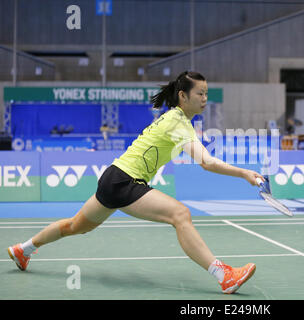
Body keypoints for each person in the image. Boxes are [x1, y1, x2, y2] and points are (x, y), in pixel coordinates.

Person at [7, 71, 263, 294]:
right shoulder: (178, 122)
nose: (205, 98)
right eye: (200, 94)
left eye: (207, 93)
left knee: (75, 226)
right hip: (125, 180)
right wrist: (244, 173)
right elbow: (207, 162)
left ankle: (23, 249)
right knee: (180, 214)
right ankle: (224, 276)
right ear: (183, 96)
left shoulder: (175, 119)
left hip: (113, 177)